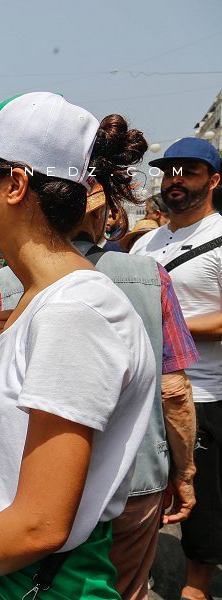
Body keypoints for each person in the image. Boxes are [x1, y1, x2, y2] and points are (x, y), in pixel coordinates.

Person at [0, 92, 155, 599]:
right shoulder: (44, 298)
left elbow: (40, 524)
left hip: (33, 582)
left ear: (15, 184)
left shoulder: (73, 312)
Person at [0, 179, 199, 600]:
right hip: (137, 481)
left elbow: (40, 525)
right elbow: (174, 389)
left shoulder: (64, 306)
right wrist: (183, 471)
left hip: (36, 550)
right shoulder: (147, 276)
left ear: (16, 186)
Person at [129, 137, 222, 600]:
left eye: (189, 171)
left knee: (202, 502)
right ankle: (137, 572)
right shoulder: (145, 242)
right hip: (144, 393)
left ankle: (195, 586)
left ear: (214, 180)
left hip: (203, 393)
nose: (175, 180)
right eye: (169, 172)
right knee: (143, 490)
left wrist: (168, 328)